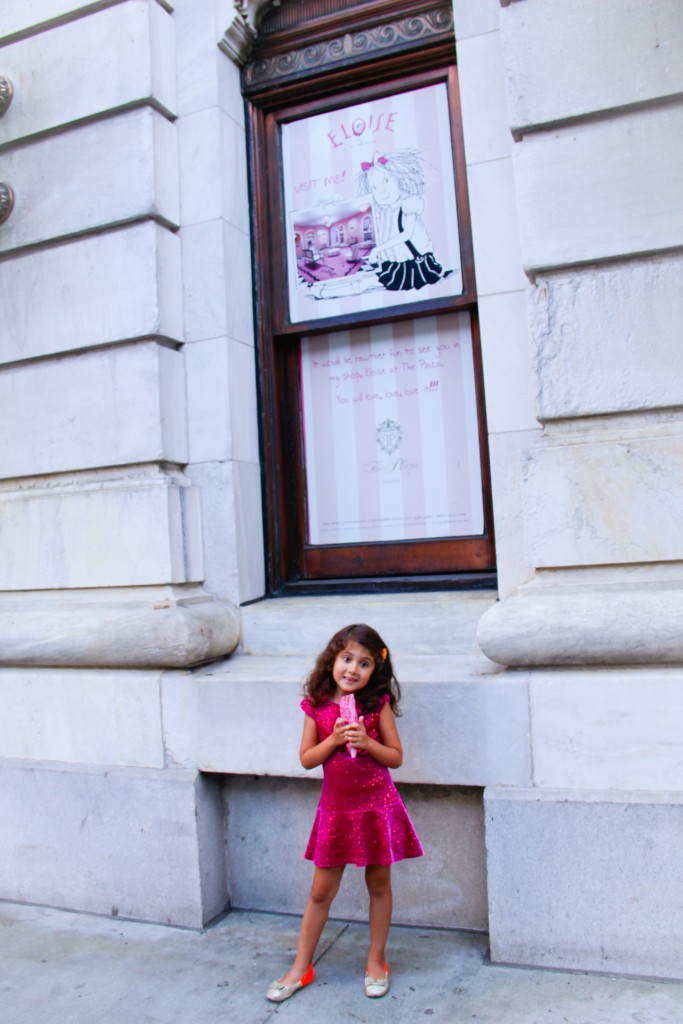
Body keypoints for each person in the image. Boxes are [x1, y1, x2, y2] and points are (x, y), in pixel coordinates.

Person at [265, 623, 423, 1003]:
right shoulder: (317, 705)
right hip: (336, 810)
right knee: (321, 890)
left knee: (379, 884)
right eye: (347, 659)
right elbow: (306, 760)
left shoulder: (376, 705)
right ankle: (301, 966)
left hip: (376, 806)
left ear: (376, 670)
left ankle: (376, 960)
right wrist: (333, 739)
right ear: (332, 659)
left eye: (364, 663)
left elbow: (396, 758)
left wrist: (368, 742)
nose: (353, 669)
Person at [307, 149, 453, 299]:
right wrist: (338, 203)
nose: (381, 191)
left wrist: (378, 250)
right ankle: (324, 287)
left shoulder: (408, 206)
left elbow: (406, 235)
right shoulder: (383, 211)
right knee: (365, 279)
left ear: (398, 179)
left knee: (366, 283)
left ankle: (324, 293)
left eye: (385, 181)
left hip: (414, 266)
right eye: (374, 188)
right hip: (394, 265)